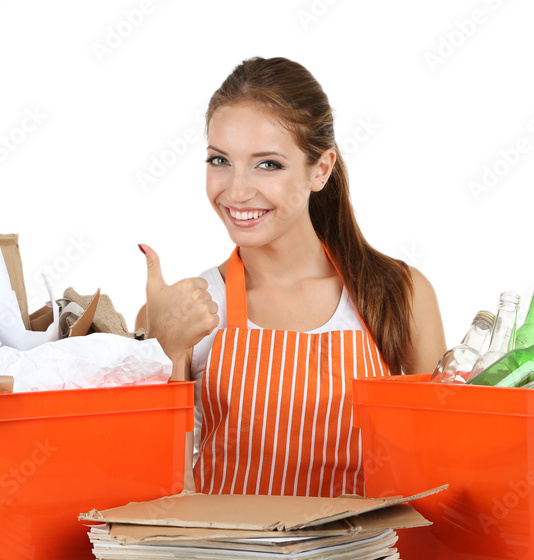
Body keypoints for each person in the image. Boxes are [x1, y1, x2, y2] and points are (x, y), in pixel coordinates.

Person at [137, 57, 446, 497]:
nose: (237, 190)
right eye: (220, 160)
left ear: (320, 169)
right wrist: (166, 349)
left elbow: (438, 467)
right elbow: (150, 490)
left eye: (268, 165)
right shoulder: (185, 309)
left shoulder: (400, 295)